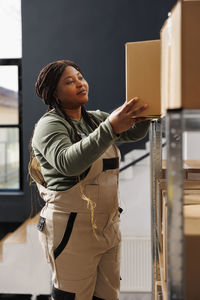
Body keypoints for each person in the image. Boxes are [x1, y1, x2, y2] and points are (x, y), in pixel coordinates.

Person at [29, 60, 150, 300]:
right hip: (72, 228)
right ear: (55, 93)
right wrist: (110, 128)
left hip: (108, 226)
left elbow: (135, 132)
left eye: (80, 77)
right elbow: (67, 162)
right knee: (73, 295)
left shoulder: (94, 119)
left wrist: (145, 108)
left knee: (107, 295)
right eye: (69, 81)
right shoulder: (50, 125)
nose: (80, 83)